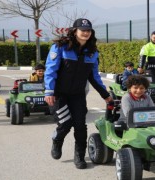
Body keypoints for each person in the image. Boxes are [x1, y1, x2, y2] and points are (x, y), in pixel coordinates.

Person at [44, 18, 112, 169]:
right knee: (65, 123)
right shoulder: (60, 47)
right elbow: (51, 70)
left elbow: (94, 76)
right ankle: (57, 140)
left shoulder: (92, 52)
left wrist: (106, 95)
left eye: (88, 30)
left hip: (78, 95)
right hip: (59, 94)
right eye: (83, 30)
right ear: (75, 31)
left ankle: (79, 157)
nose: (86, 33)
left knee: (81, 125)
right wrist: (49, 91)